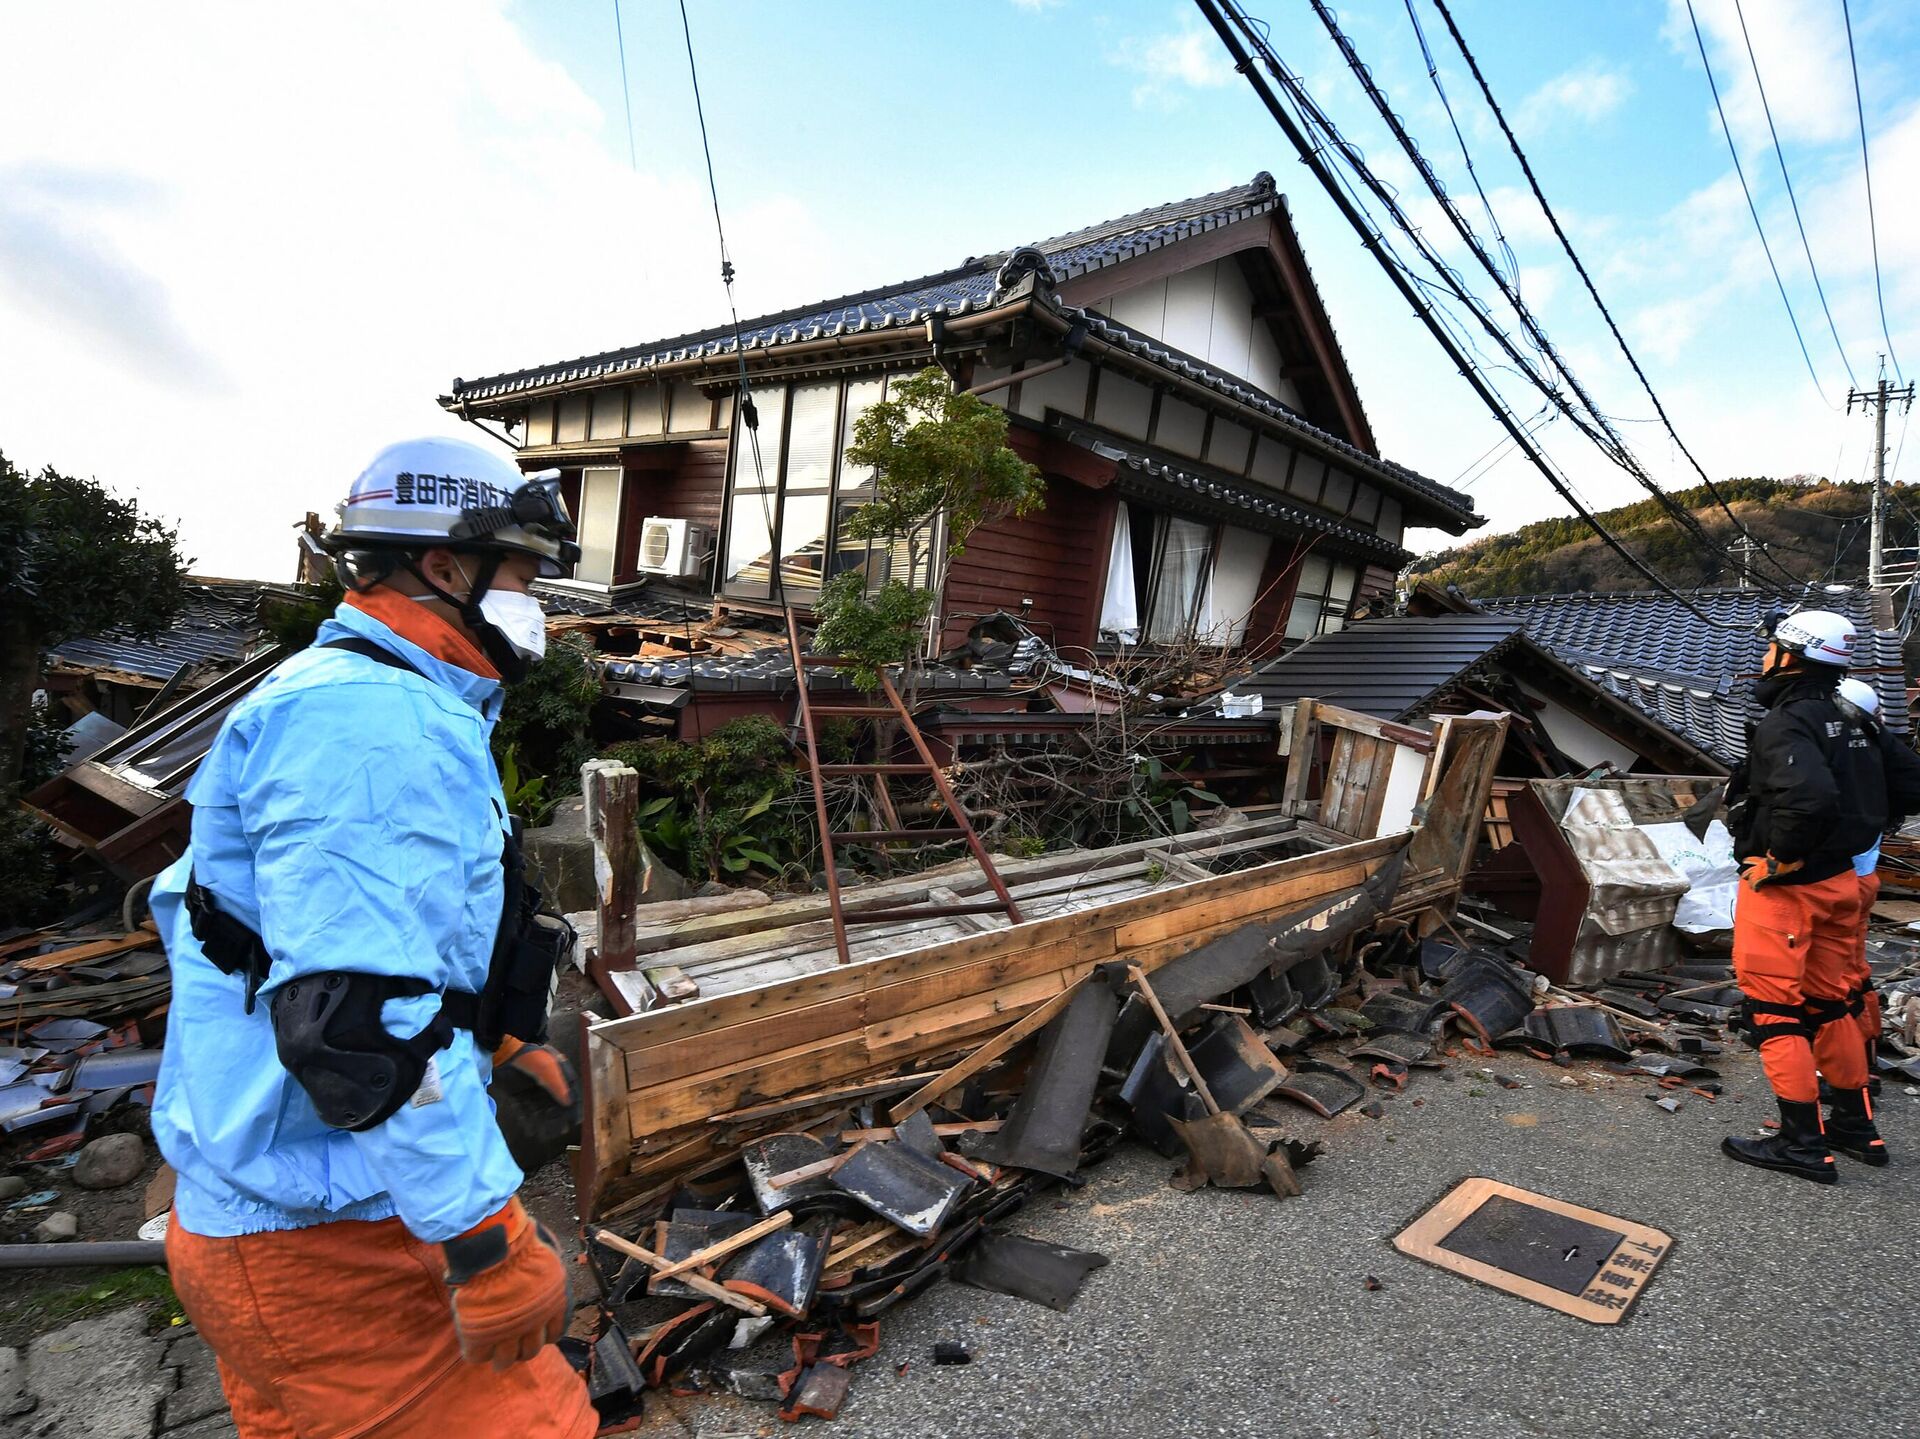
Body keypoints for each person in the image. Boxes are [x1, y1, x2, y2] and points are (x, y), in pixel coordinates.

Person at [149, 437, 597, 1438]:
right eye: (523, 572)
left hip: (260, 1223)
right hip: (333, 1245)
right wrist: (484, 1237)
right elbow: (365, 1022)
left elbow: (379, 943)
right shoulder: (371, 724)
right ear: (445, 567)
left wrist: (501, 1036)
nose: (537, 601)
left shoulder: (360, 697)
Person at [1723, 609, 1909, 1183]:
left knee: (1775, 1007)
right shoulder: (1856, 715)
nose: (1763, 657)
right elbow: (1911, 782)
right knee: (1833, 1003)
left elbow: (1808, 798)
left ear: (1788, 655)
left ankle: (1803, 1143)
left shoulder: (1789, 721)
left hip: (1788, 890)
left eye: (1770, 648)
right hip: (1841, 882)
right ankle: (1856, 1126)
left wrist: (1779, 859)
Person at [1830, 675, 1920, 1133]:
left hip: (1833, 879)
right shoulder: (1884, 750)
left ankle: (1848, 1084)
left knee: (1824, 987)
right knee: (1854, 975)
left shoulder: (1847, 751)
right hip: (1863, 878)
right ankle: (1863, 1068)